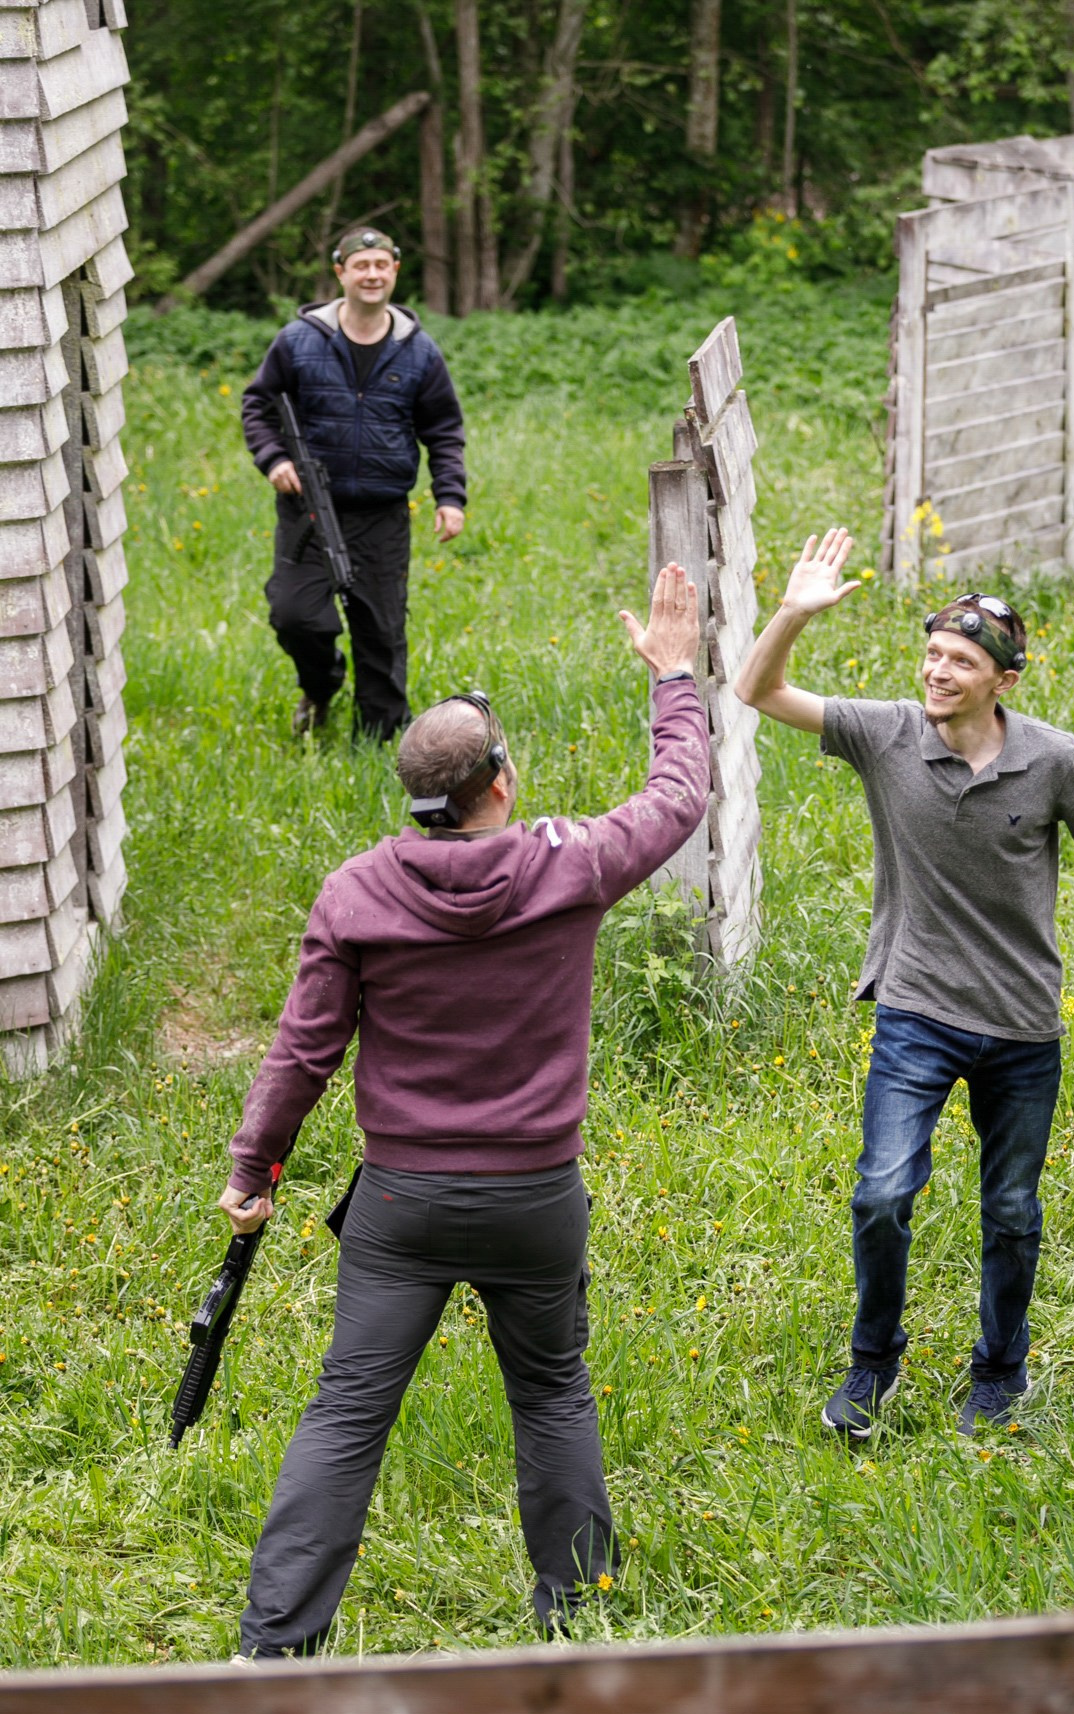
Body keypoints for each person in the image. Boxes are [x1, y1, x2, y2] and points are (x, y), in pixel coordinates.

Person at [218, 564, 709, 1650]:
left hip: (402, 1204)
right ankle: (574, 1617)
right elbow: (678, 798)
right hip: (536, 1199)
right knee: (550, 1395)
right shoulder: (569, 866)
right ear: (502, 780)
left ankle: (272, 1648)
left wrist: (253, 1172)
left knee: (347, 1412)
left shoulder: (356, 892)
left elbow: (304, 1051)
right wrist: (672, 677)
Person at [735, 529, 1074, 1440]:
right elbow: (758, 691)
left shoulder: (1050, 759)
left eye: (961, 661)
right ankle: (873, 1363)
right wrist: (795, 611)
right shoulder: (886, 735)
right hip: (917, 1008)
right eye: (931, 655)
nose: (938, 672)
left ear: (1005, 679)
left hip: (1023, 1022)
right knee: (882, 1192)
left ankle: (1000, 1373)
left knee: (1010, 1210)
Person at [242, 227, 467, 741]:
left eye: (381, 265)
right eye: (361, 265)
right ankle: (320, 689)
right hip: (307, 510)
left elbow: (444, 430)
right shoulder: (298, 341)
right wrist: (274, 458)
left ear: (394, 272)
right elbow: (258, 403)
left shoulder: (419, 351)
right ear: (340, 272)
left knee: (381, 632)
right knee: (296, 617)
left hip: (383, 514)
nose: (372, 274)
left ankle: (381, 741)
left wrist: (450, 497)